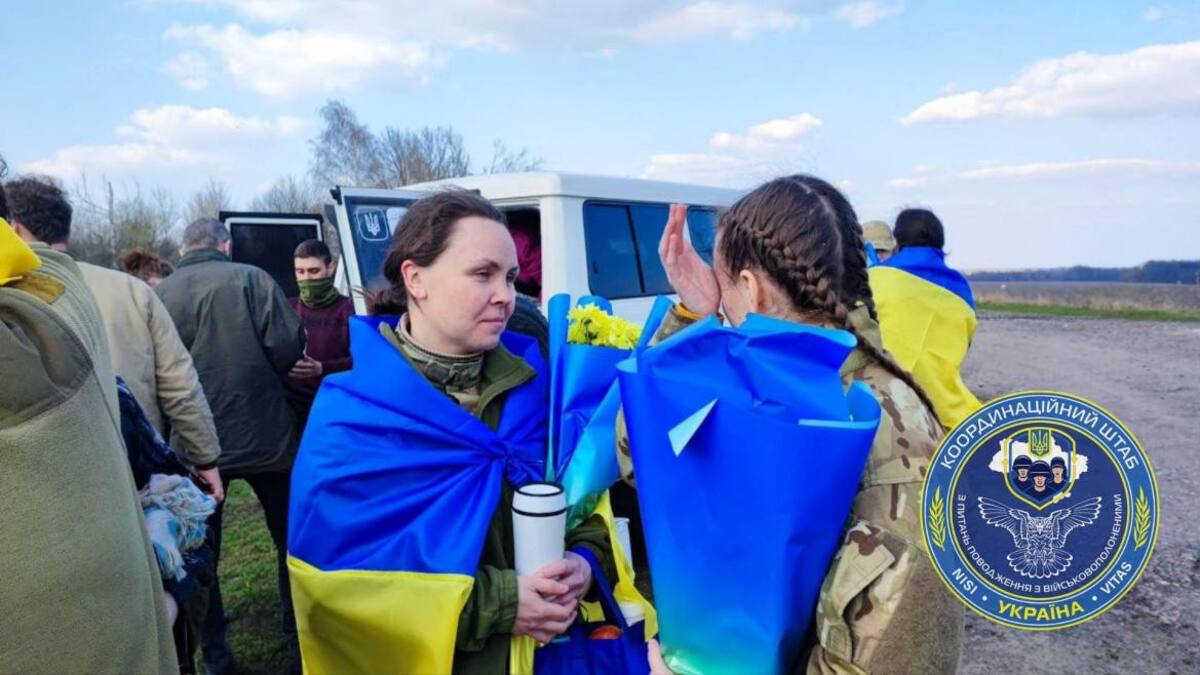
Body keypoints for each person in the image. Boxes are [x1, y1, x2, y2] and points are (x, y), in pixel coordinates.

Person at [641, 176, 963, 673]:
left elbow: (883, 659)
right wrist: (695, 316)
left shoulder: (888, 437)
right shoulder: (777, 382)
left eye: (724, 287)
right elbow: (636, 452)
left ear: (751, 290)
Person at [289, 190, 615, 674]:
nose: (507, 295)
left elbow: (587, 508)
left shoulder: (536, 389)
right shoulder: (353, 416)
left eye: (509, 276)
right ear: (415, 278)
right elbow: (342, 589)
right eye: (482, 274)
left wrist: (584, 563)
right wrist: (501, 603)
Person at [1, 177, 178, 673]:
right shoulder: (88, 289)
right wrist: (202, 456)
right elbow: (179, 378)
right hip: (127, 483)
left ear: (18, 226)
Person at [6, 179, 225, 501]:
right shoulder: (130, 291)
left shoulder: (10, 300)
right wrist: (206, 458)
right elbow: (181, 386)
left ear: (14, 228)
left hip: (41, 493)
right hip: (136, 478)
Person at [156, 217, 305, 673]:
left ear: (185, 248)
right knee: (290, 538)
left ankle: (215, 653)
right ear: (225, 244)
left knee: (202, 549)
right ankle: (297, 633)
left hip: (197, 443)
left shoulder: (160, 294)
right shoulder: (252, 278)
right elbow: (287, 346)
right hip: (267, 436)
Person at [869, 208, 981, 430]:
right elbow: (963, 347)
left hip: (890, 407)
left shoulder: (873, 279)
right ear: (940, 246)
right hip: (950, 414)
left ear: (896, 244)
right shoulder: (962, 291)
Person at [284, 239, 353, 427]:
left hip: (335, 408)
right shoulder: (286, 308)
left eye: (314, 271)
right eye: (300, 271)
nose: (307, 278)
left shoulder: (349, 309)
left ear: (330, 269)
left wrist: (323, 368)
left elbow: (363, 361)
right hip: (292, 411)